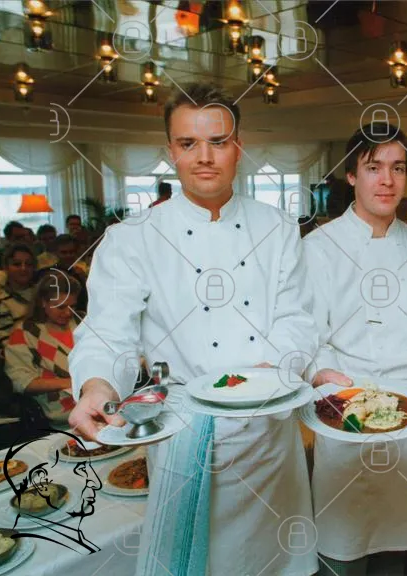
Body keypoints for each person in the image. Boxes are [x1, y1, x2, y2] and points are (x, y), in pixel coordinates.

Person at [67, 82, 319, 576]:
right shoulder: (132, 238)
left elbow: (298, 319)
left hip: (268, 434)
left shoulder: (279, 228)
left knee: (275, 563)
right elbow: (108, 332)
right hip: (185, 435)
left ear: (238, 147)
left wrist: (267, 373)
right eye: (188, 143)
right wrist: (98, 385)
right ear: (171, 151)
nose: (204, 157)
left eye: (218, 142)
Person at [303, 125, 407, 575]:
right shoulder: (318, 248)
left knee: (397, 554)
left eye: (398, 168)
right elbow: (309, 334)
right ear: (351, 175)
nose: (387, 180)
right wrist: (324, 375)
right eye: (374, 168)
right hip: (346, 414)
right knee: (342, 550)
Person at [4, 271, 80, 426]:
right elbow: (22, 382)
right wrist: (69, 383)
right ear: (43, 302)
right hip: (61, 416)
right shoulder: (25, 332)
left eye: (72, 306)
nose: (68, 313)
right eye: (60, 307)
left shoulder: (82, 322)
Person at [0, 243, 36, 348]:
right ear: (6, 268)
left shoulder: (44, 293)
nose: (23, 268)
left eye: (29, 264)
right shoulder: (0, 303)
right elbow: (9, 345)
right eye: (17, 264)